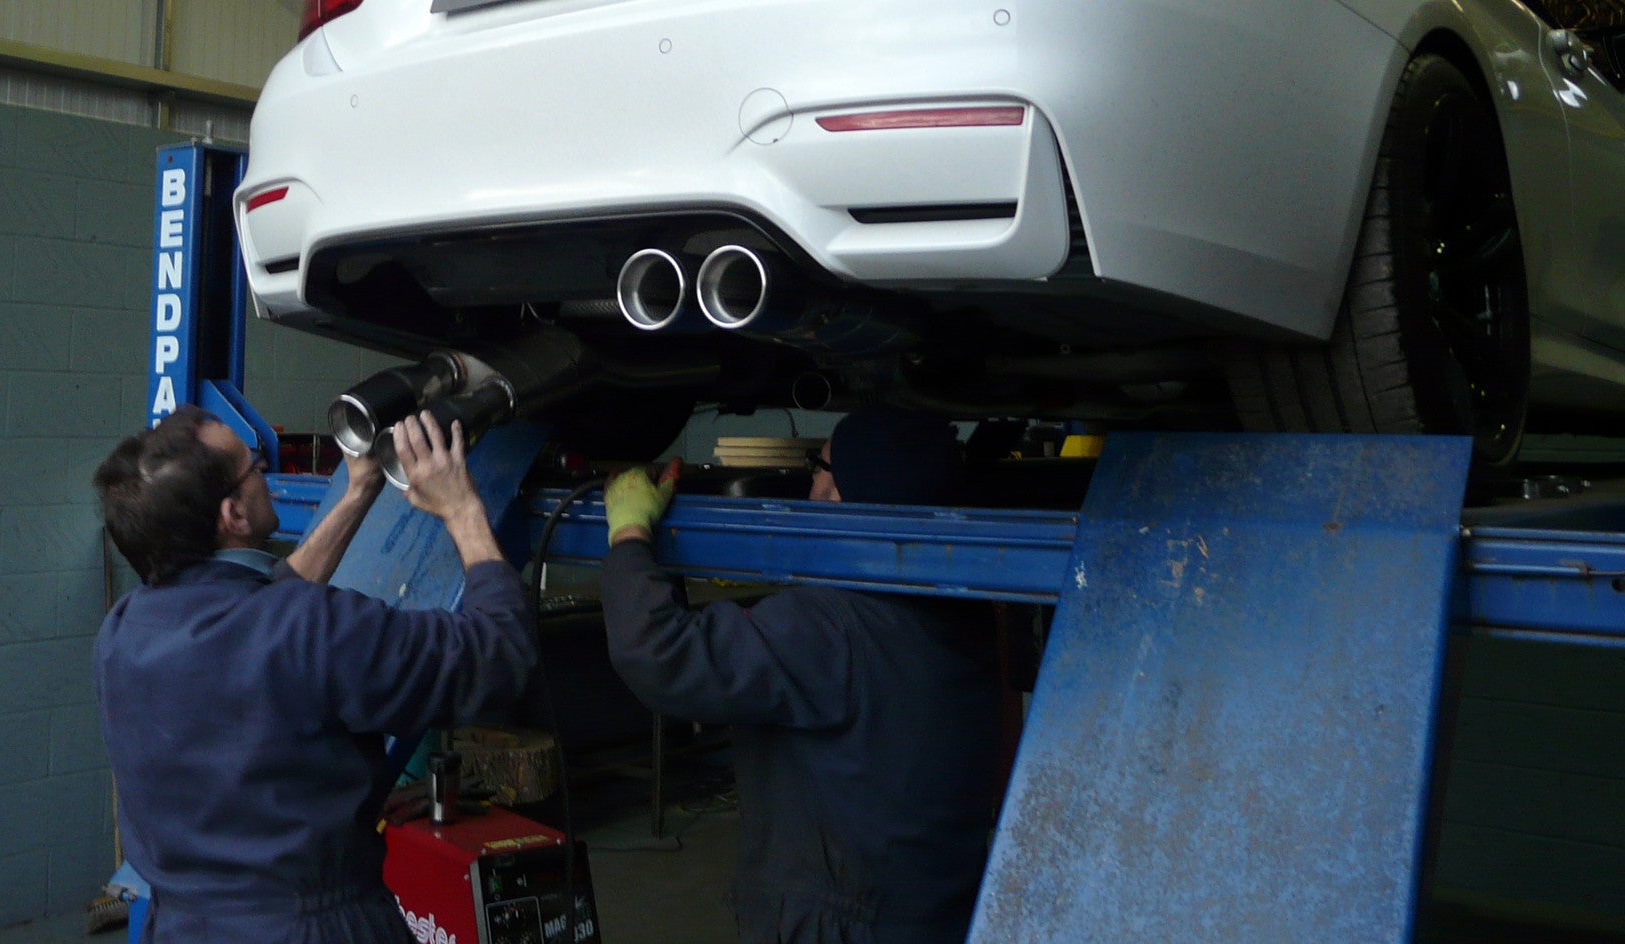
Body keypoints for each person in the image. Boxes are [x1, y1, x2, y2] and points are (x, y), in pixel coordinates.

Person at [93, 404, 534, 944]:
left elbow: (261, 607)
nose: (265, 473)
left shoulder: (123, 632)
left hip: (185, 926)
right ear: (233, 514)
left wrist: (357, 493)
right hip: (314, 928)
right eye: (254, 464)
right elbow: (498, 656)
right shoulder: (317, 629)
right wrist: (464, 508)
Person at [599, 408, 1001, 944]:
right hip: (934, 909)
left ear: (839, 494)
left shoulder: (826, 628)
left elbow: (659, 654)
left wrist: (629, 535)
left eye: (819, 465)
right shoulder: (968, 611)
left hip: (838, 924)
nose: (810, 480)